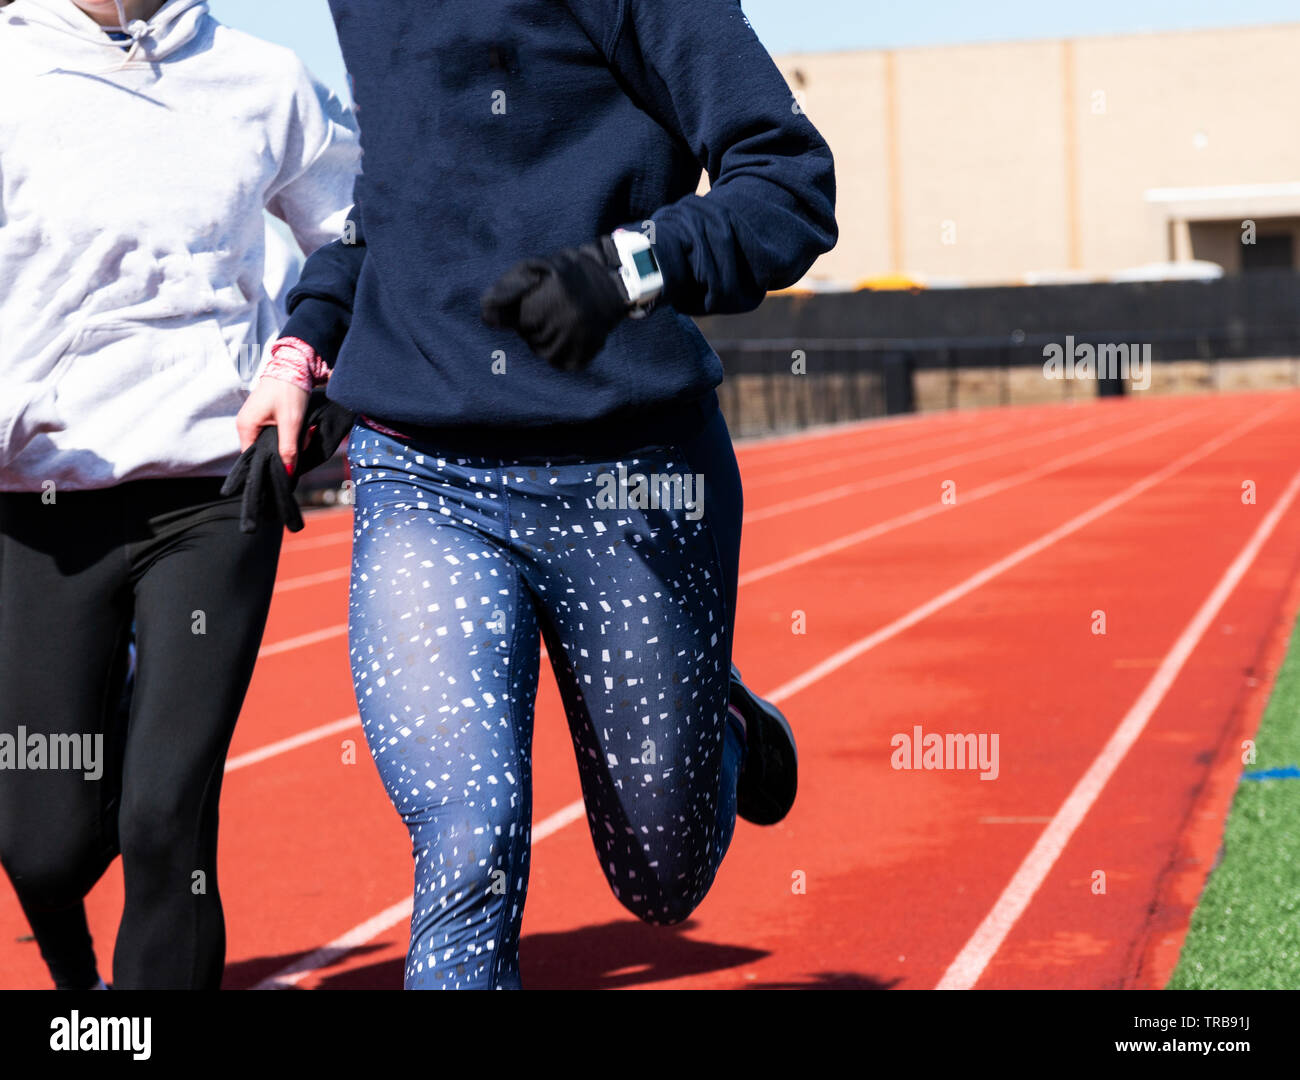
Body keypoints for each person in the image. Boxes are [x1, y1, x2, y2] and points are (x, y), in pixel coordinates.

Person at [235, 0, 837, 990]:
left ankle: (722, 727)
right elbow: (393, 208)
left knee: (662, 880)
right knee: (467, 844)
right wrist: (304, 349)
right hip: (424, 475)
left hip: (630, 476)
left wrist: (624, 271)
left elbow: (788, 186)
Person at [0, 0, 360, 990]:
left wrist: (313, 367)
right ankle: (83, 995)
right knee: (42, 846)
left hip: (214, 495)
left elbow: (357, 230)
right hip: (37, 502)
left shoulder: (261, 77)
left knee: (165, 816)